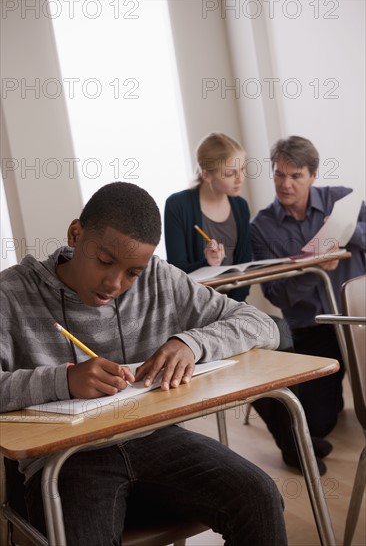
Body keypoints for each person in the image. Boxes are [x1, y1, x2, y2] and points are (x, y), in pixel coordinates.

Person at [0, 181, 288, 546]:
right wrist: (65, 380)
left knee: (258, 496)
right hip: (65, 463)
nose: (115, 283)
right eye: (104, 261)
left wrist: (191, 342)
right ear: (76, 234)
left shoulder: (158, 278)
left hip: (155, 438)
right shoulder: (11, 293)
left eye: (132, 272)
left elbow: (262, 325)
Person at [250, 135, 366, 474]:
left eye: (295, 175)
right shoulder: (260, 227)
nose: (285, 184)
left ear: (313, 175)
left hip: (357, 321)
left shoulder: (341, 199)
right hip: (312, 329)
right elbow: (275, 295)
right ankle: (323, 405)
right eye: (278, 175)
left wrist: (343, 235)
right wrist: (314, 268)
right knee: (318, 425)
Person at [164, 132, 251, 302]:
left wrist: (234, 307)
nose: (240, 178)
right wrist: (207, 264)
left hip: (234, 305)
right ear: (206, 175)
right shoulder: (178, 205)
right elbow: (177, 272)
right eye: (230, 173)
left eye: (242, 169)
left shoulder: (241, 206)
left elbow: (244, 269)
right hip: (196, 307)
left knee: (278, 326)